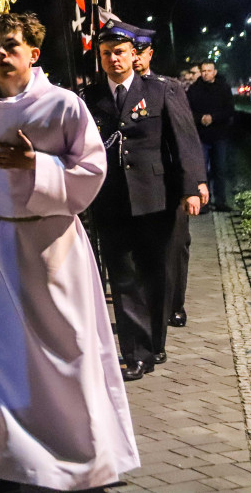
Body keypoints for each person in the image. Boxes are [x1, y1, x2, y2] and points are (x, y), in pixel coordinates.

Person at [0, 12, 138, 492]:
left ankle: (87, 460)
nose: (0, 52)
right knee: (8, 358)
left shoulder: (64, 105)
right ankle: (15, 462)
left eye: (10, 44)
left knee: (70, 351)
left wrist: (37, 164)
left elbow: (91, 170)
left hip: (53, 245)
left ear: (33, 53)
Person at [84, 20, 203, 381]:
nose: (113, 59)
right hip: (110, 200)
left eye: (120, 52)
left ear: (133, 54)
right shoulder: (89, 98)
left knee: (155, 272)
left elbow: (183, 141)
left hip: (155, 197)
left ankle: (155, 341)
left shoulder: (160, 91)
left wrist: (191, 186)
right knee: (123, 276)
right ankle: (136, 353)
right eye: (106, 53)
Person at [132, 34, 209, 329]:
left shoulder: (168, 88)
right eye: (131, 52)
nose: (135, 58)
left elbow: (186, 139)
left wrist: (195, 183)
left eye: (140, 52)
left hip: (171, 182)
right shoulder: (118, 92)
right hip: (138, 185)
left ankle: (175, 304)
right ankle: (151, 305)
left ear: (150, 54)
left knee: (174, 248)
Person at [187, 60, 235, 212]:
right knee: (202, 172)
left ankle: (220, 202)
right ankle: (204, 203)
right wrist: (200, 118)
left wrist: (213, 118)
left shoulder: (223, 88)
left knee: (219, 169)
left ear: (214, 72)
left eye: (209, 70)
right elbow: (187, 111)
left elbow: (229, 110)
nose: (206, 73)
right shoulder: (193, 90)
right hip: (201, 136)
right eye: (203, 71)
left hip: (219, 135)